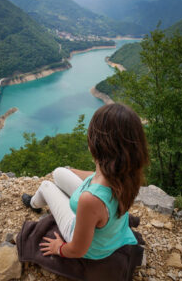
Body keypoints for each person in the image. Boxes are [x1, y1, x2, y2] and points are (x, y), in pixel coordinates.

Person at [22, 103, 148, 259]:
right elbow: (95, 176)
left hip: (89, 244)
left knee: (46, 185)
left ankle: (34, 204)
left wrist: (59, 248)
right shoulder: (127, 172)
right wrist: (72, 172)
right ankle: (48, 194)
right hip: (109, 226)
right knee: (59, 172)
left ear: (97, 143)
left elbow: (77, 250)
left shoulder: (90, 200)